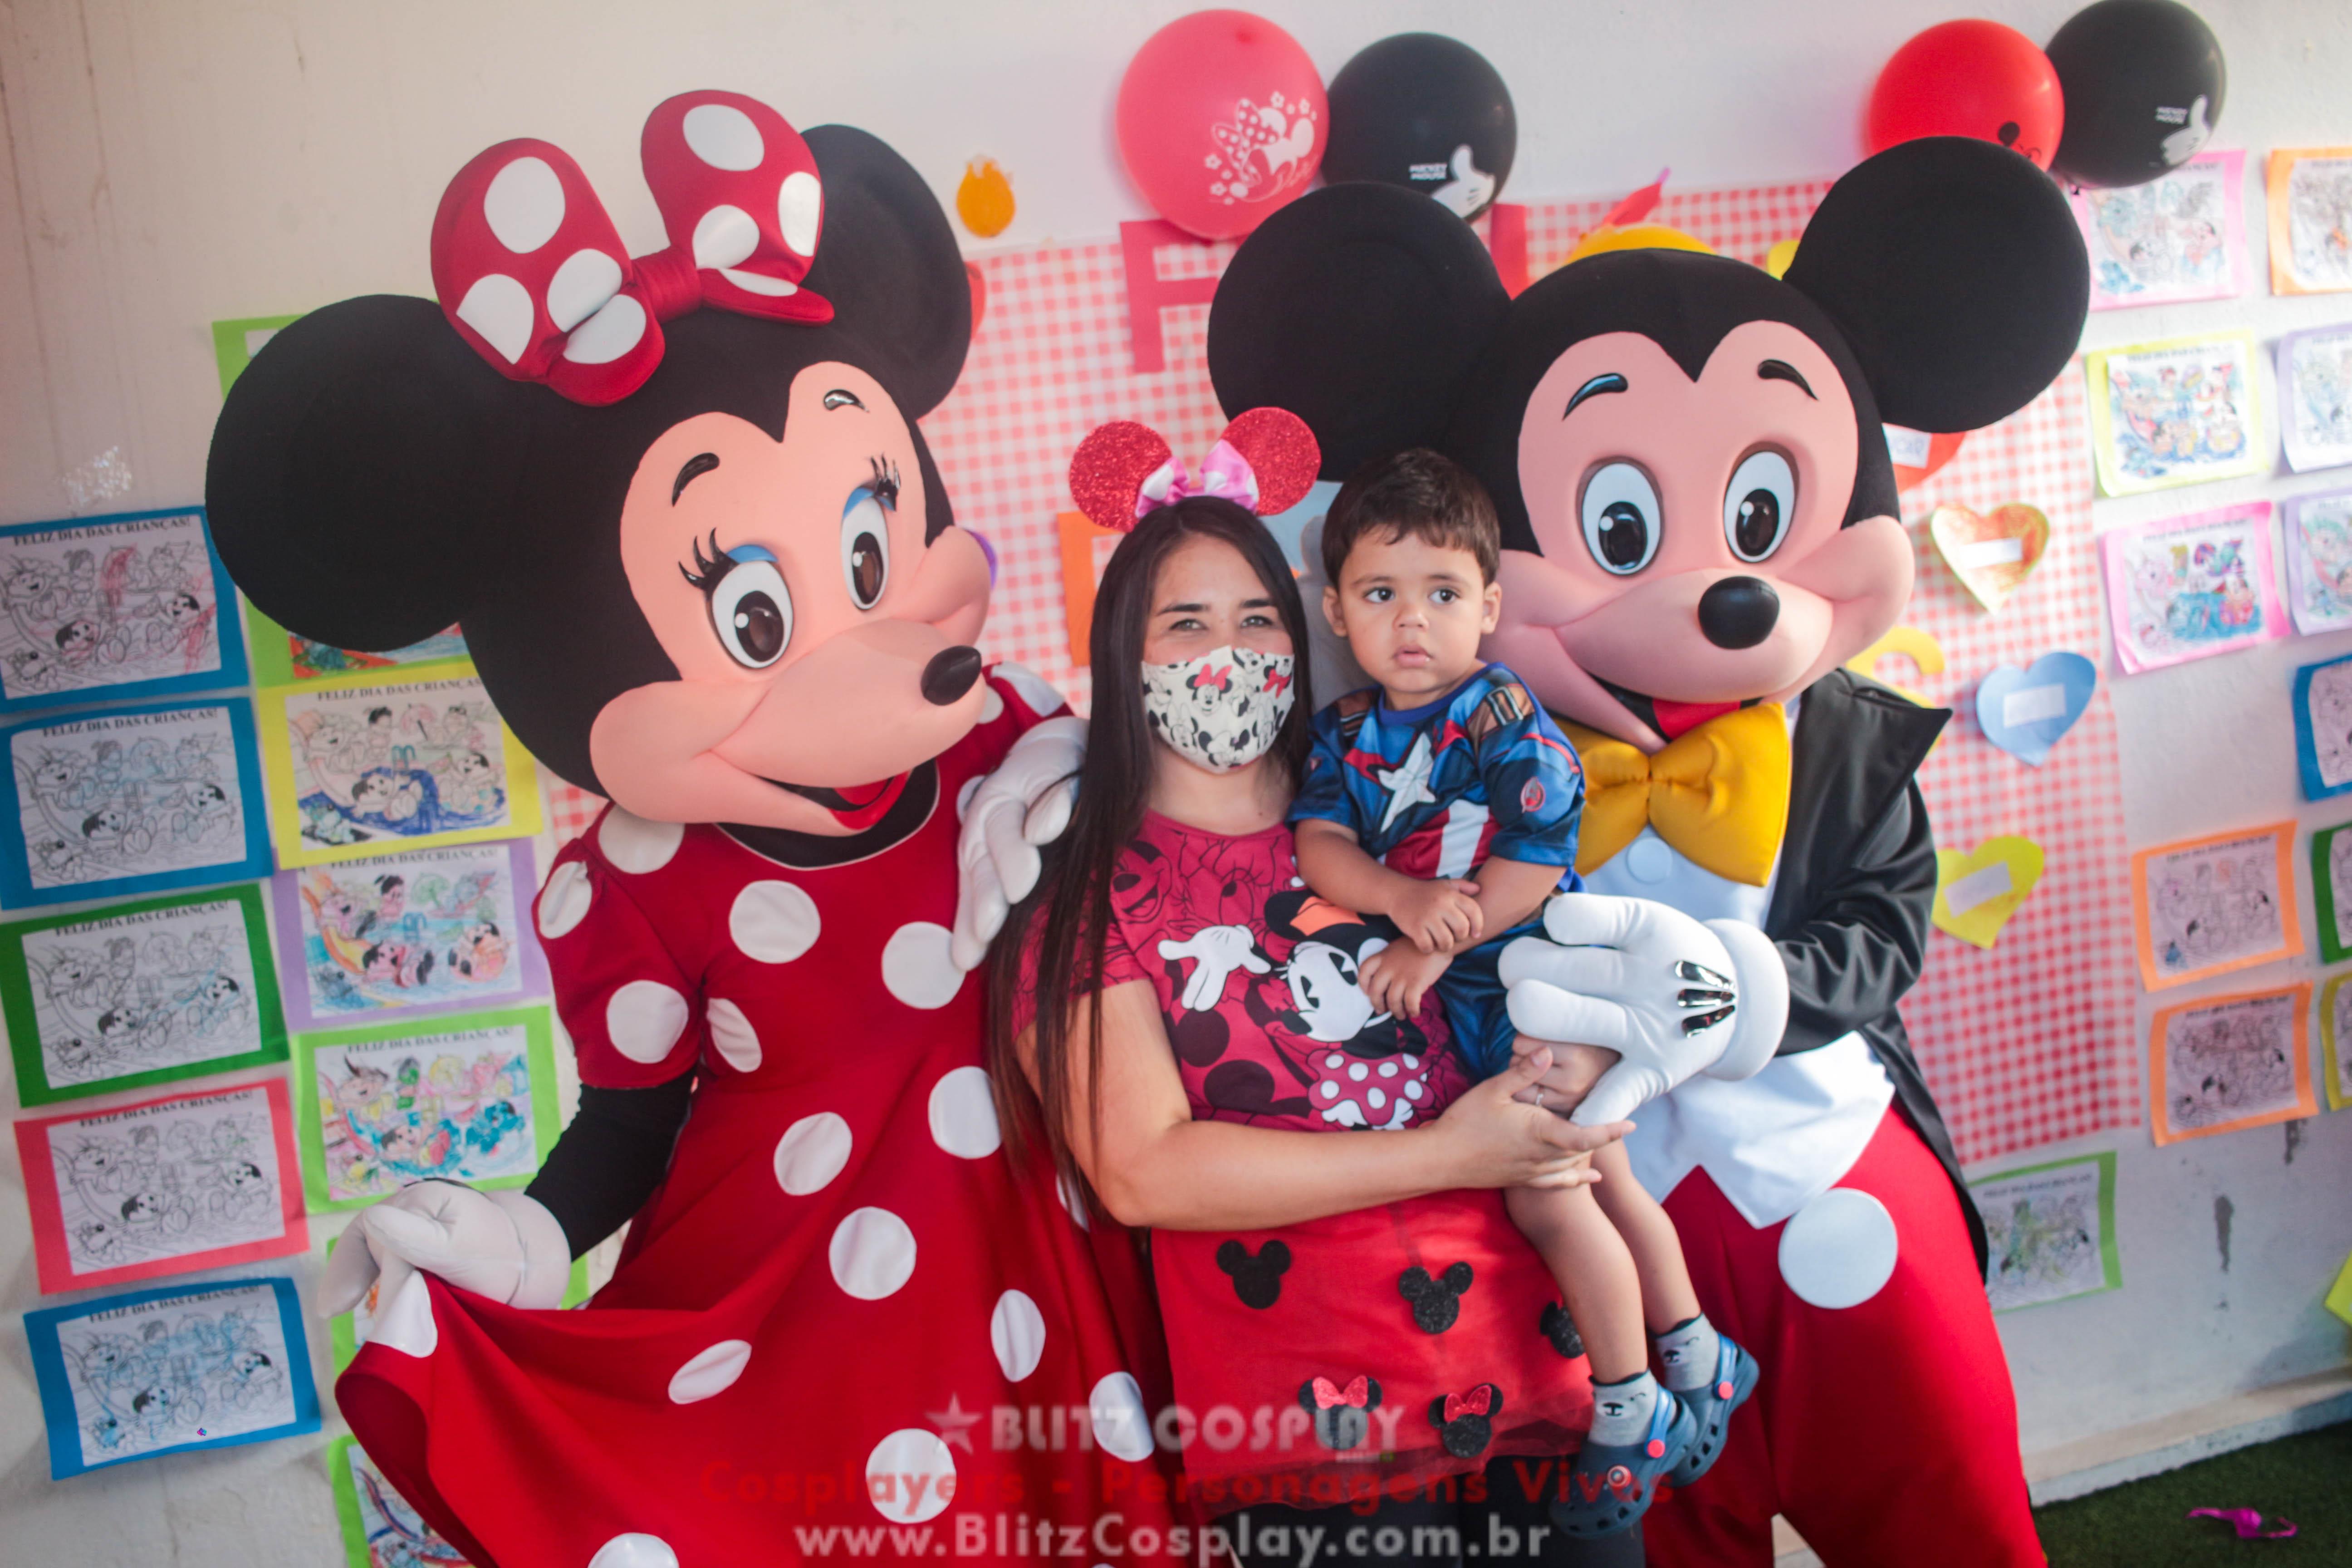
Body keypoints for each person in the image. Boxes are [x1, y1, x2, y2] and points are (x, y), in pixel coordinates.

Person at [990, 421, 1646, 1568]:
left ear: (1305, 637)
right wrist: (1452, 1153)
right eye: (1185, 624)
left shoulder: (1399, 809)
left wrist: (1572, 1069)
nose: (1228, 652)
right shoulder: (1086, 901)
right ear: (1124, 656)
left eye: (1255, 620)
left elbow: (1551, 940)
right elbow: (1145, 1171)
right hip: (1318, 1427)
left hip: (1537, 1356)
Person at [1289, 449, 1757, 1536]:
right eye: (1380, 594)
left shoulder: (1502, 713)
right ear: (1336, 609)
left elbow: (1542, 853)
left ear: (1489, 607)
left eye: (1443, 594)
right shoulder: (1347, 732)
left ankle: (1631, 1398)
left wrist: (1437, 936)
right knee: (1600, 1172)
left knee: (1552, 1190)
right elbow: (1320, 844)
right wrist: (1398, 899)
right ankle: (1701, 1352)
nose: (1414, 621)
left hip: (1548, 984)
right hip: (1481, 992)